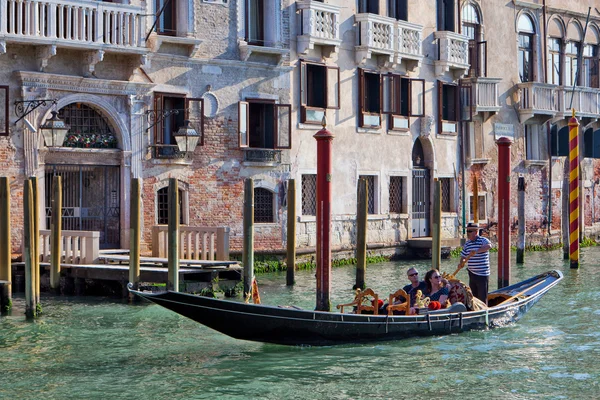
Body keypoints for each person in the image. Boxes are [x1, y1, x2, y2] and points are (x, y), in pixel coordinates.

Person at [459, 222, 492, 305]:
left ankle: (484, 312)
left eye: (470, 231)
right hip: (472, 274)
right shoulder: (467, 244)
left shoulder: (483, 240)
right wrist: (461, 263)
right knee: (473, 297)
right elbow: (463, 255)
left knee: (482, 297)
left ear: (476, 232)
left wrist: (477, 251)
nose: (468, 233)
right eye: (467, 231)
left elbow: (489, 246)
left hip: (482, 275)